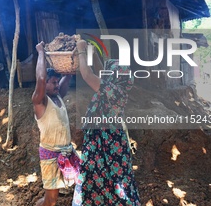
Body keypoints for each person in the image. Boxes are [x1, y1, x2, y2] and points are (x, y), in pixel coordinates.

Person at [73, 40, 141, 206]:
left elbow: (88, 75)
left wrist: (81, 51)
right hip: (104, 141)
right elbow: (101, 72)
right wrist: (94, 53)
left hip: (109, 145)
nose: (107, 74)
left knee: (112, 180)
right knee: (103, 179)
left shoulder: (115, 92)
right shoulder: (113, 87)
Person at [32, 41, 80, 206]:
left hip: (66, 153)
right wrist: (40, 53)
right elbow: (40, 77)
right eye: (52, 82)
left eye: (56, 82)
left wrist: (72, 53)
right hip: (51, 157)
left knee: (52, 197)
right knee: (52, 200)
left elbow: (68, 74)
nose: (56, 85)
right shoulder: (40, 102)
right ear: (44, 85)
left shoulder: (58, 96)